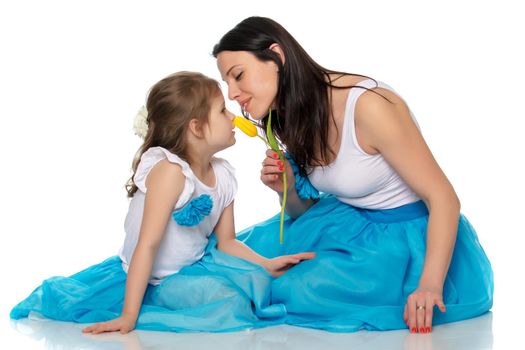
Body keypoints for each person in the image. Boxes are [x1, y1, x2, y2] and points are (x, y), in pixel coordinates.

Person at [213, 17, 493, 333]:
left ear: (276, 56)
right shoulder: (291, 112)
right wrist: (286, 190)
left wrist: (429, 284)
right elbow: (301, 211)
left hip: (403, 241)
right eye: (227, 84)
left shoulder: (369, 107)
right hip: (344, 222)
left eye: (238, 76)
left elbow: (444, 198)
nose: (233, 94)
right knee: (239, 260)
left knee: (290, 291)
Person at [10, 71, 315, 334]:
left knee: (258, 285)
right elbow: (148, 245)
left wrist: (266, 264)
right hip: (157, 278)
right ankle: (143, 305)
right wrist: (129, 316)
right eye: (222, 111)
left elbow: (227, 242)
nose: (233, 117)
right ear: (196, 127)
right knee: (232, 303)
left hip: (194, 264)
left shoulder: (223, 175)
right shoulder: (170, 172)